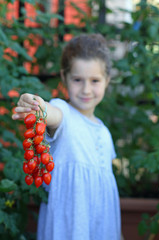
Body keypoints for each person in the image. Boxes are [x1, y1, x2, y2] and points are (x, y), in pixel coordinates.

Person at [12, 33, 121, 240]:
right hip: (68, 230)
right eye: (78, 80)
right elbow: (53, 114)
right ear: (64, 77)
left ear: (107, 80)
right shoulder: (64, 113)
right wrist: (39, 106)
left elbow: (107, 197)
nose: (86, 89)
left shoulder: (105, 133)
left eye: (95, 80)